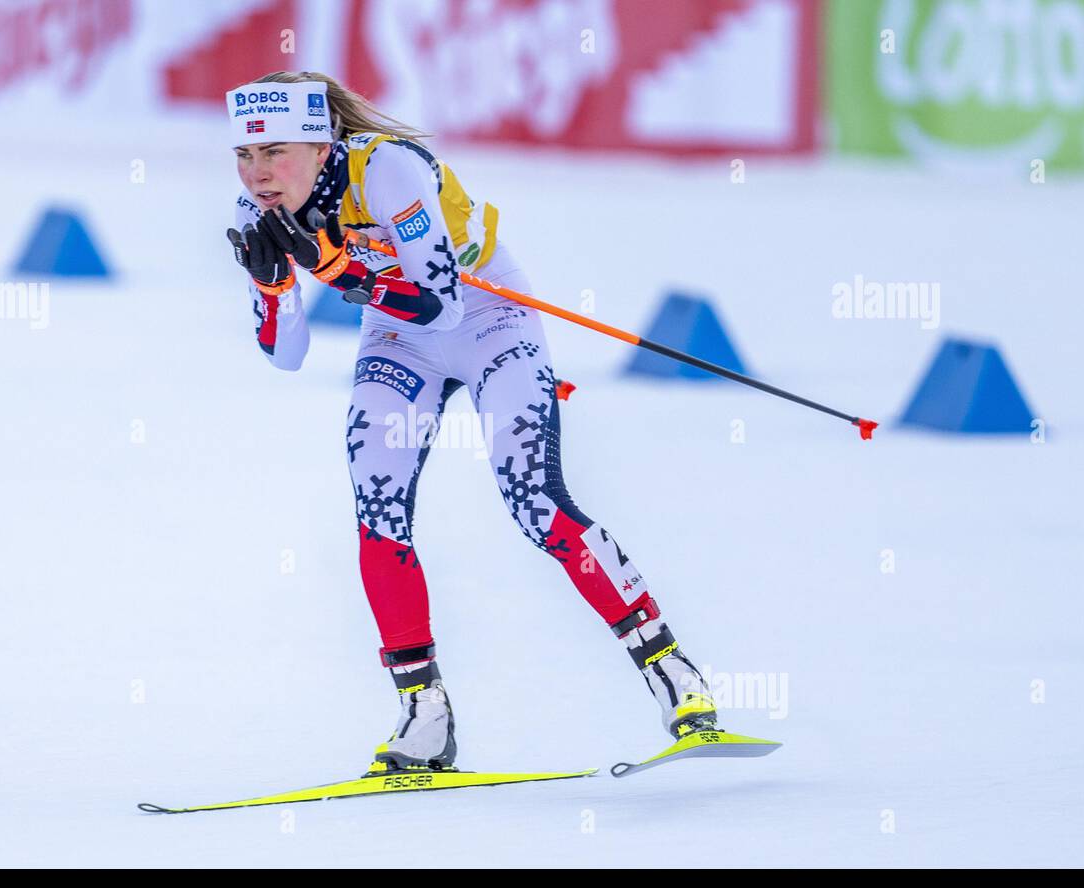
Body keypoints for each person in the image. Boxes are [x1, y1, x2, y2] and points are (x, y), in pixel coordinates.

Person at [226, 72, 721, 773]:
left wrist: (336, 267)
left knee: (534, 501)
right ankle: (424, 715)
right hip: (400, 342)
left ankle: (673, 671)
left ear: (319, 141)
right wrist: (274, 283)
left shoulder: (387, 169)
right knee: (377, 510)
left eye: (273, 152)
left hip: (490, 321)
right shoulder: (259, 211)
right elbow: (287, 354)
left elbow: (443, 305)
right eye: (243, 157)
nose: (257, 174)